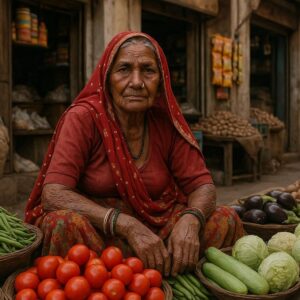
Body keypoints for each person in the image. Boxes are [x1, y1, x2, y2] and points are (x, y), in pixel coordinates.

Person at [25, 31, 244, 277]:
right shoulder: (84, 118)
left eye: (148, 70)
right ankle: (104, 285)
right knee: (62, 223)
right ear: (107, 78)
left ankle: (175, 281)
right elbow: (54, 193)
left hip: (158, 232)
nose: (137, 81)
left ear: (161, 80)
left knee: (225, 218)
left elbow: (202, 186)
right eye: (124, 70)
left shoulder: (165, 123)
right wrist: (126, 225)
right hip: (101, 236)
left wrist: (191, 220)